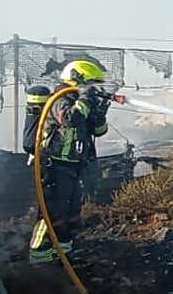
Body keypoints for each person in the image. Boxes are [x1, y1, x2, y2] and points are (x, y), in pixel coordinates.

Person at [28, 60, 111, 264]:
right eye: (91, 83)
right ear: (78, 80)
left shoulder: (82, 103)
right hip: (55, 164)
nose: (94, 88)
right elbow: (69, 119)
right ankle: (39, 254)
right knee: (53, 211)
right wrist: (85, 98)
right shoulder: (60, 99)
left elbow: (99, 131)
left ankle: (64, 249)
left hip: (74, 165)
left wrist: (99, 114)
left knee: (72, 209)